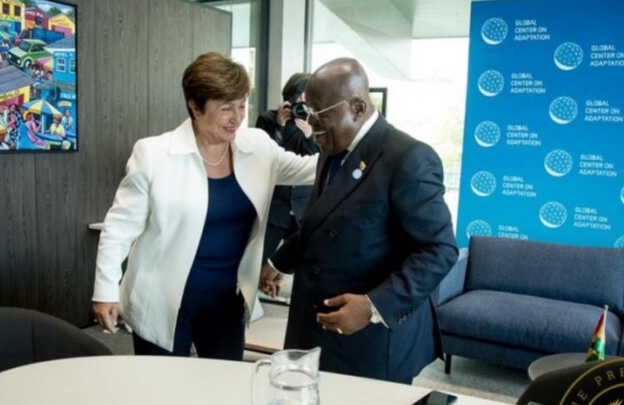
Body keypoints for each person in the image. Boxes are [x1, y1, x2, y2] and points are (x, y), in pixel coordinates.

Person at [92, 52, 317, 360]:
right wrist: (105, 289)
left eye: (241, 105)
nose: (237, 117)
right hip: (162, 301)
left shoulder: (258, 147)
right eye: (226, 108)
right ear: (195, 107)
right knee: (162, 394)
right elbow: (119, 228)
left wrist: (356, 137)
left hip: (226, 302)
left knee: (224, 391)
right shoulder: (154, 154)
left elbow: (313, 169)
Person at [260, 58, 458, 383]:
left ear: (357, 106)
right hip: (317, 328)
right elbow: (320, 221)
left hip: (370, 340)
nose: (312, 123)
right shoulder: (331, 145)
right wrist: (279, 262)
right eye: (307, 111)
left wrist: (373, 305)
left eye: (320, 113)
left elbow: (439, 250)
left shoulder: (408, 158)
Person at [255, 73, 318, 267]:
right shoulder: (268, 119)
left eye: (304, 99)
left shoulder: (314, 122)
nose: (300, 103)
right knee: (258, 260)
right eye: (296, 98)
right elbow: (264, 156)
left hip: (303, 206)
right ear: (288, 98)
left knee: (306, 262)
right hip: (276, 204)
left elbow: (317, 159)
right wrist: (279, 127)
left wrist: (309, 135)